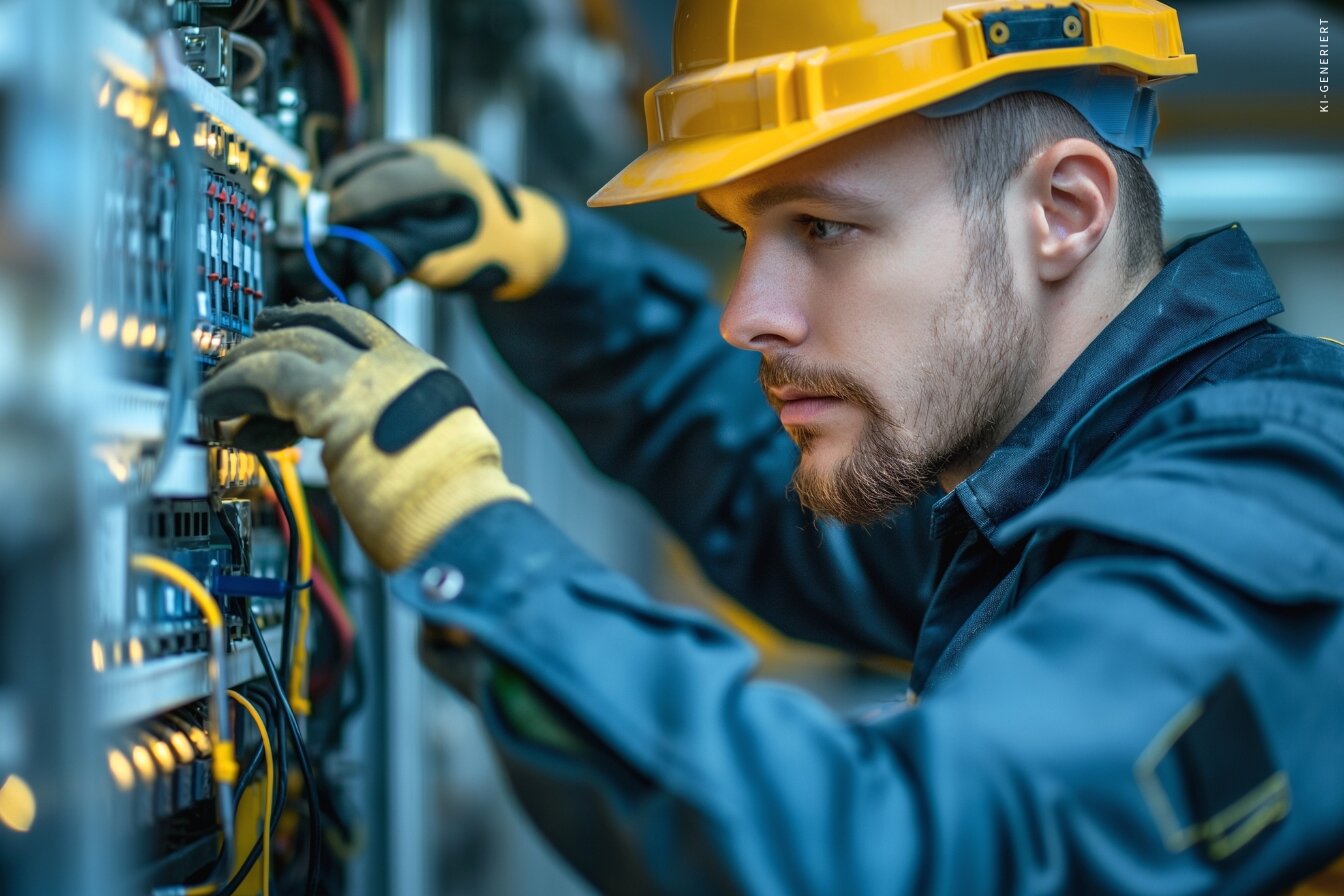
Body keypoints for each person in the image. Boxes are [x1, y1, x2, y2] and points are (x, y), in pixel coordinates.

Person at [199, 1, 1344, 892]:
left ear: (1065, 212)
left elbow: (895, 859)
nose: (745, 311)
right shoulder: (1061, 490)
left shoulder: (1281, 503)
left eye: (822, 225)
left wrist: (460, 523)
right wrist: (551, 271)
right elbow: (776, 510)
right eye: (742, 234)